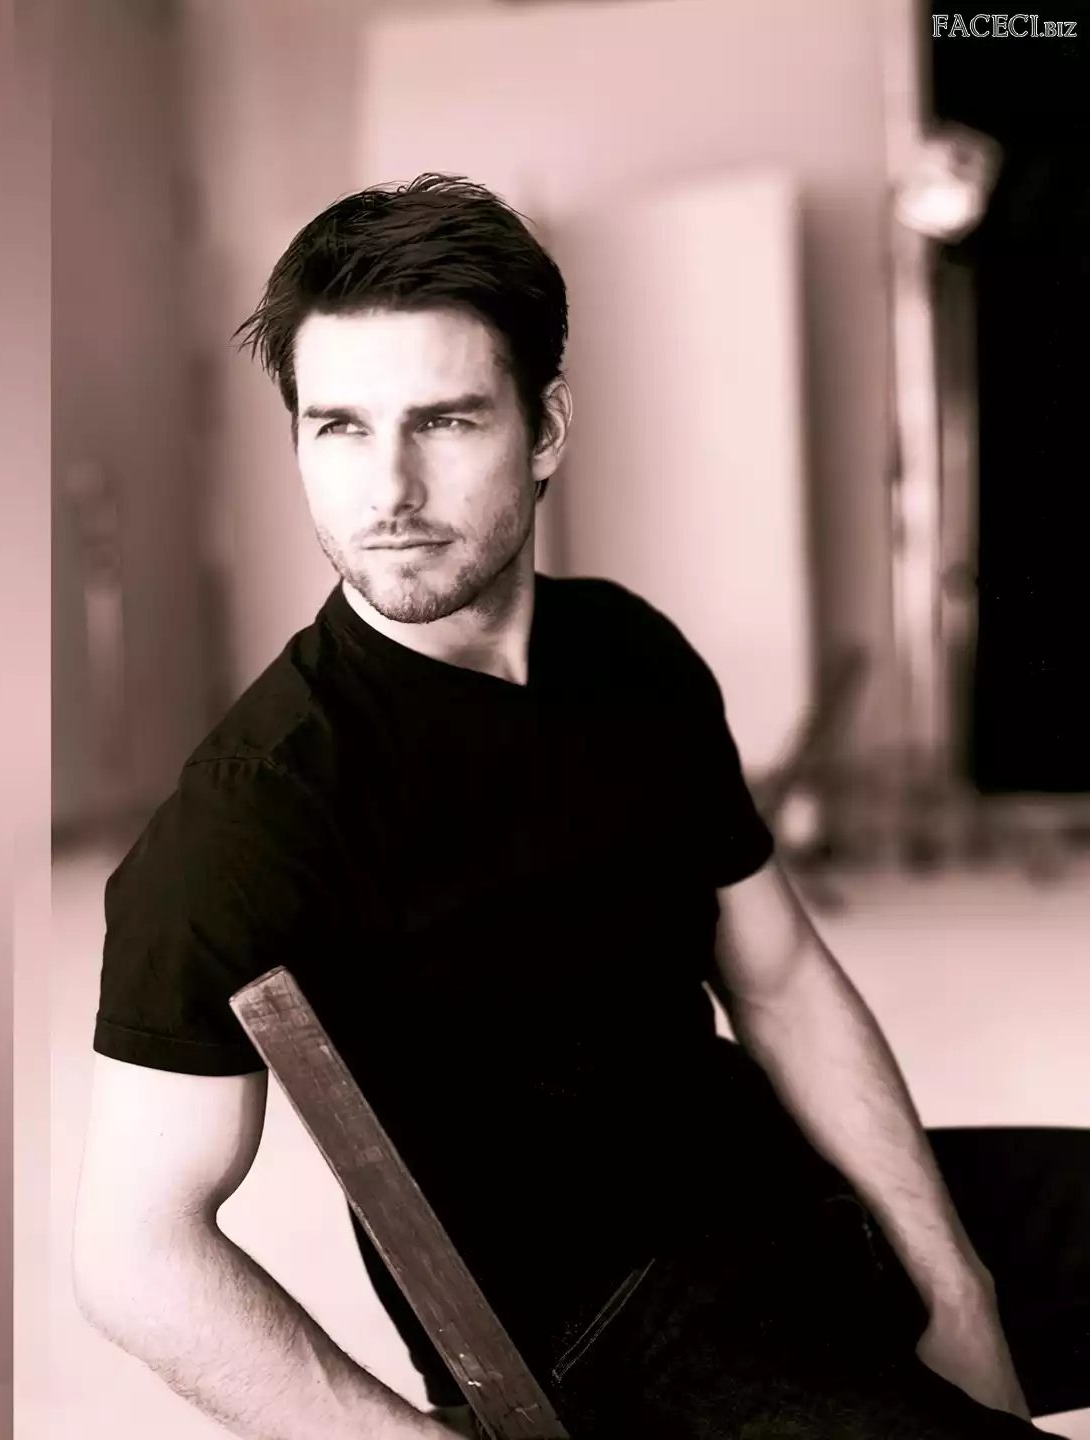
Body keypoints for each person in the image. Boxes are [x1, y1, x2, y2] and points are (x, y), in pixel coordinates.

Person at [68, 174, 1090, 1438]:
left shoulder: (629, 653)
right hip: (618, 1335)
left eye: (444, 421)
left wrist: (958, 1284)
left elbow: (779, 981)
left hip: (793, 1193)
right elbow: (135, 1252)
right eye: (338, 427)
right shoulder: (253, 811)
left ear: (546, 427)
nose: (387, 489)